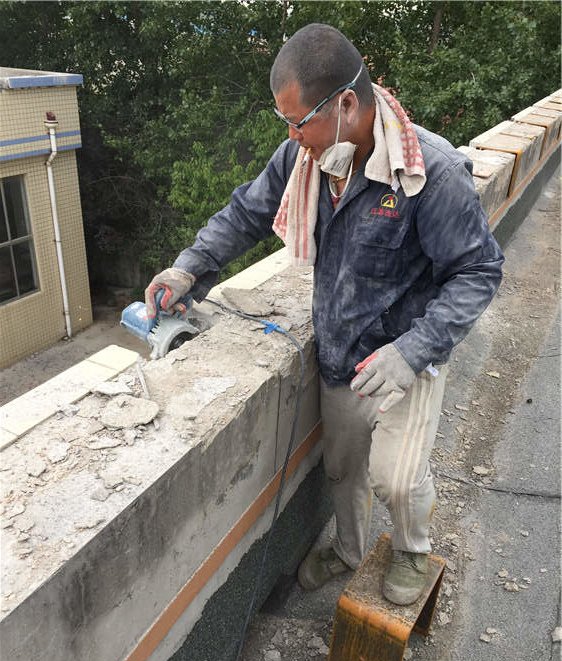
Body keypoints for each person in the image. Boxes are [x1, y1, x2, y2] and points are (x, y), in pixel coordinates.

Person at [145, 24, 504, 606]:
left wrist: (412, 352)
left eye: (299, 121)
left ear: (346, 105)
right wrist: (190, 267)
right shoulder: (307, 156)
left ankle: (411, 549)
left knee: (396, 478)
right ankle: (348, 550)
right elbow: (247, 212)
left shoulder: (429, 174)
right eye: (284, 121)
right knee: (342, 470)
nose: (291, 136)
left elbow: (478, 272)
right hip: (341, 354)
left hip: (403, 357)